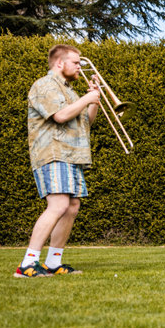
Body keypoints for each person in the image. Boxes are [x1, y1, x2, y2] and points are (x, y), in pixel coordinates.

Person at [17, 44, 102, 278]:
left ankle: (53, 263)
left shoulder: (71, 92)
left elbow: (86, 122)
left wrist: (93, 101)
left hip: (73, 155)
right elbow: (61, 116)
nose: (79, 67)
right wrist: (87, 98)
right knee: (58, 205)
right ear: (59, 63)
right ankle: (27, 264)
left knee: (72, 207)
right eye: (76, 63)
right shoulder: (45, 85)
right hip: (53, 152)